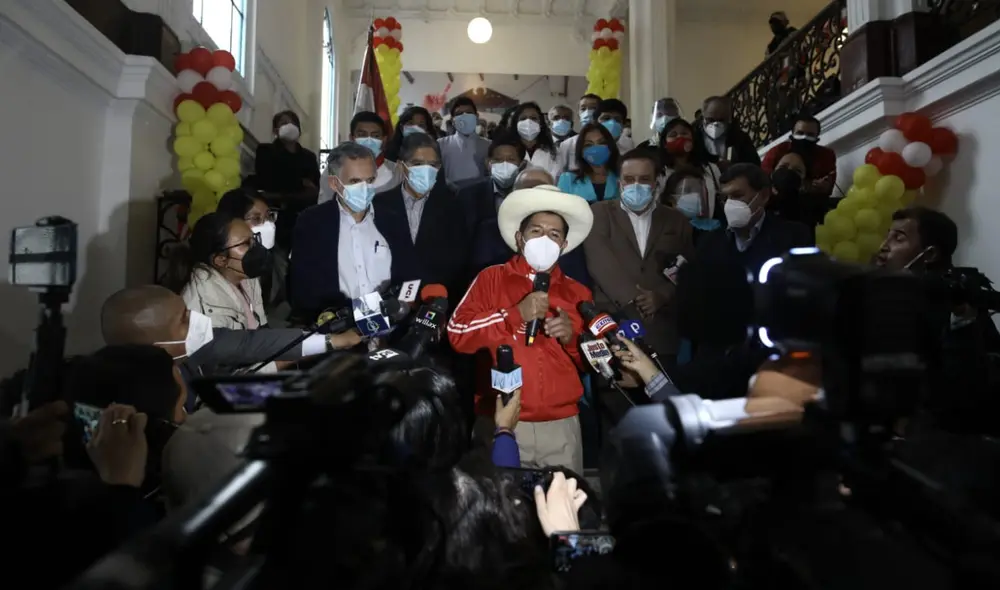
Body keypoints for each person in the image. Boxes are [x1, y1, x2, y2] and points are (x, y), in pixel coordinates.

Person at [448, 187, 594, 472]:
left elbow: (591, 363)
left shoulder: (578, 293)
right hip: (501, 420)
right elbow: (458, 334)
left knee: (563, 509)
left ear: (564, 244)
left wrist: (572, 338)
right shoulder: (490, 279)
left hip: (561, 426)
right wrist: (514, 315)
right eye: (536, 231)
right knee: (501, 511)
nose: (545, 240)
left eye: (554, 235)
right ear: (519, 237)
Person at [673, 164, 812, 399]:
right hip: (716, 367)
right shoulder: (710, 243)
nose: (730, 204)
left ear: (764, 196)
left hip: (770, 362)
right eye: (725, 197)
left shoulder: (793, 236)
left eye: (738, 196)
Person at [101, 285, 360, 385]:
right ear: (156, 349)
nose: (196, 319)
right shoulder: (139, 406)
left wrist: (335, 341)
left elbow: (250, 344)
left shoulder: (192, 350)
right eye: (183, 320)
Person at [584, 149, 694, 361]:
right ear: (619, 184)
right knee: (616, 393)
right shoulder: (598, 213)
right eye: (629, 179)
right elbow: (599, 262)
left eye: (644, 179)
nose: (636, 185)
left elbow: (687, 266)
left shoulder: (676, 220)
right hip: (612, 327)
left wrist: (661, 296)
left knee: (663, 392)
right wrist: (637, 301)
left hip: (661, 330)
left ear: (655, 183)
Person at [289, 141, 390, 321]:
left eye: (370, 180)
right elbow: (303, 287)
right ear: (334, 183)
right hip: (335, 327)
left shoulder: (391, 218)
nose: (364, 188)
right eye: (355, 181)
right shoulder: (312, 222)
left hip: (389, 326)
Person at [372, 132, 471, 304]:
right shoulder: (378, 205)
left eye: (432, 165)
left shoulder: (454, 206)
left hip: (433, 302)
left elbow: (457, 262)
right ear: (402, 166)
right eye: (417, 164)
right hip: (385, 300)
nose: (426, 170)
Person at [471, 169, 591, 286]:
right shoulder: (489, 232)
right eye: (528, 188)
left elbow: (579, 283)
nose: (536, 191)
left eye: (542, 187)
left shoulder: (567, 237)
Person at [166, 212, 271, 333]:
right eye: (246, 244)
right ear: (221, 260)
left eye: (254, 240)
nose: (256, 248)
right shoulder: (200, 303)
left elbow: (261, 326)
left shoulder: (248, 278)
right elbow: (222, 350)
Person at [216, 188, 282, 306]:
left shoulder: (277, 260)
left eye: (269, 216)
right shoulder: (228, 269)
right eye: (256, 219)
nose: (268, 225)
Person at [455, 130, 526, 237]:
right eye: (498, 160)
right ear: (488, 163)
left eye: (511, 160)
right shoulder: (468, 195)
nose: (504, 164)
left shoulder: (529, 194)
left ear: (522, 165)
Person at [319, 111, 399, 204]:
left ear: (384, 140)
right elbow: (324, 206)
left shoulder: (397, 172)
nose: (369, 140)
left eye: (375, 135)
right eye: (362, 135)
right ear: (352, 138)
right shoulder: (334, 170)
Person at [761, 114, 837, 200]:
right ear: (792, 134)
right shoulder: (778, 151)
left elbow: (829, 186)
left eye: (810, 135)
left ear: (817, 137)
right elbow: (763, 177)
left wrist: (823, 186)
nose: (804, 137)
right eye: (800, 133)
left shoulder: (826, 155)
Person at [659, 118, 723, 219]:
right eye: (673, 135)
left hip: (704, 228)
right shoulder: (659, 171)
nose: (679, 137)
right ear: (664, 144)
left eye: (684, 133)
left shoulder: (710, 168)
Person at [254, 110, 321, 195]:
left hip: (305, 205)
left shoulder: (309, 157)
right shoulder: (265, 151)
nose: (290, 126)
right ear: (275, 130)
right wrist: (301, 183)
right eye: (284, 123)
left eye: (294, 123)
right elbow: (267, 179)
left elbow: (316, 185)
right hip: (277, 203)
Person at [559, 98, 633, 171]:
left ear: (623, 125)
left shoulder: (629, 145)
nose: (612, 123)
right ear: (595, 122)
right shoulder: (570, 145)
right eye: (606, 118)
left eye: (617, 119)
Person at [557, 122, 621, 202]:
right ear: (581, 151)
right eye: (589, 145)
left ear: (610, 146)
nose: (596, 148)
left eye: (601, 143)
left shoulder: (622, 177)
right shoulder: (568, 179)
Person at [697, 96, 761, 168]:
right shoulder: (696, 142)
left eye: (721, 120)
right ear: (703, 118)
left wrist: (734, 166)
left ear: (729, 120)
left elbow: (755, 166)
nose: (715, 125)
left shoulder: (740, 139)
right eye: (710, 120)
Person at [662, 167, 721, 244]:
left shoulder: (713, 228)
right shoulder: (661, 228)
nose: (695, 195)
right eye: (687, 191)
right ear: (671, 199)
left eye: (698, 190)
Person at [439, 96, 490, 185]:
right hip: (450, 195)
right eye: (459, 113)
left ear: (476, 117)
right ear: (452, 120)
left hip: (481, 195)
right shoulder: (441, 144)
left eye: (469, 113)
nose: (464, 116)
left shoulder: (489, 145)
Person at [508, 101, 563, 179]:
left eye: (533, 118)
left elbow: (556, 178)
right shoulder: (507, 150)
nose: (528, 122)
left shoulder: (554, 151)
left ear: (541, 123)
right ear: (516, 123)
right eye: (523, 118)